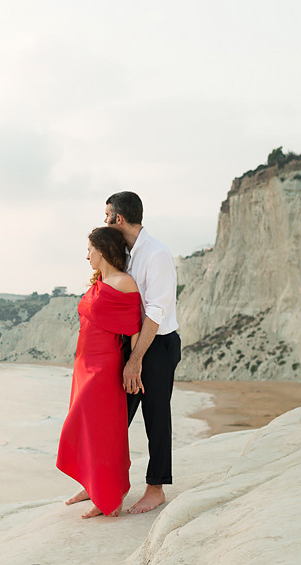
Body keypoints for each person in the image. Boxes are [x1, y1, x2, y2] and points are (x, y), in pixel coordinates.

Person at [58, 226, 143, 518]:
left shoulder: (124, 282)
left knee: (102, 432)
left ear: (103, 251)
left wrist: (133, 367)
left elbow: (133, 328)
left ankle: (109, 496)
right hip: (83, 363)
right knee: (83, 428)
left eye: (90, 250)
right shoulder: (100, 281)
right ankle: (92, 485)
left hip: (104, 367)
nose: (86, 256)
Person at [104, 191, 180, 514]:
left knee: (156, 417)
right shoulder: (128, 253)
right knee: (114, 416)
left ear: (118, 218)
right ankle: (103, 483)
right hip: (136, 345)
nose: (104, 221)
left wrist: (135, 361)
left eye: (107, 216)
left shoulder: (155, 254)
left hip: (158, 346)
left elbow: (156, 313)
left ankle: (155, 488)